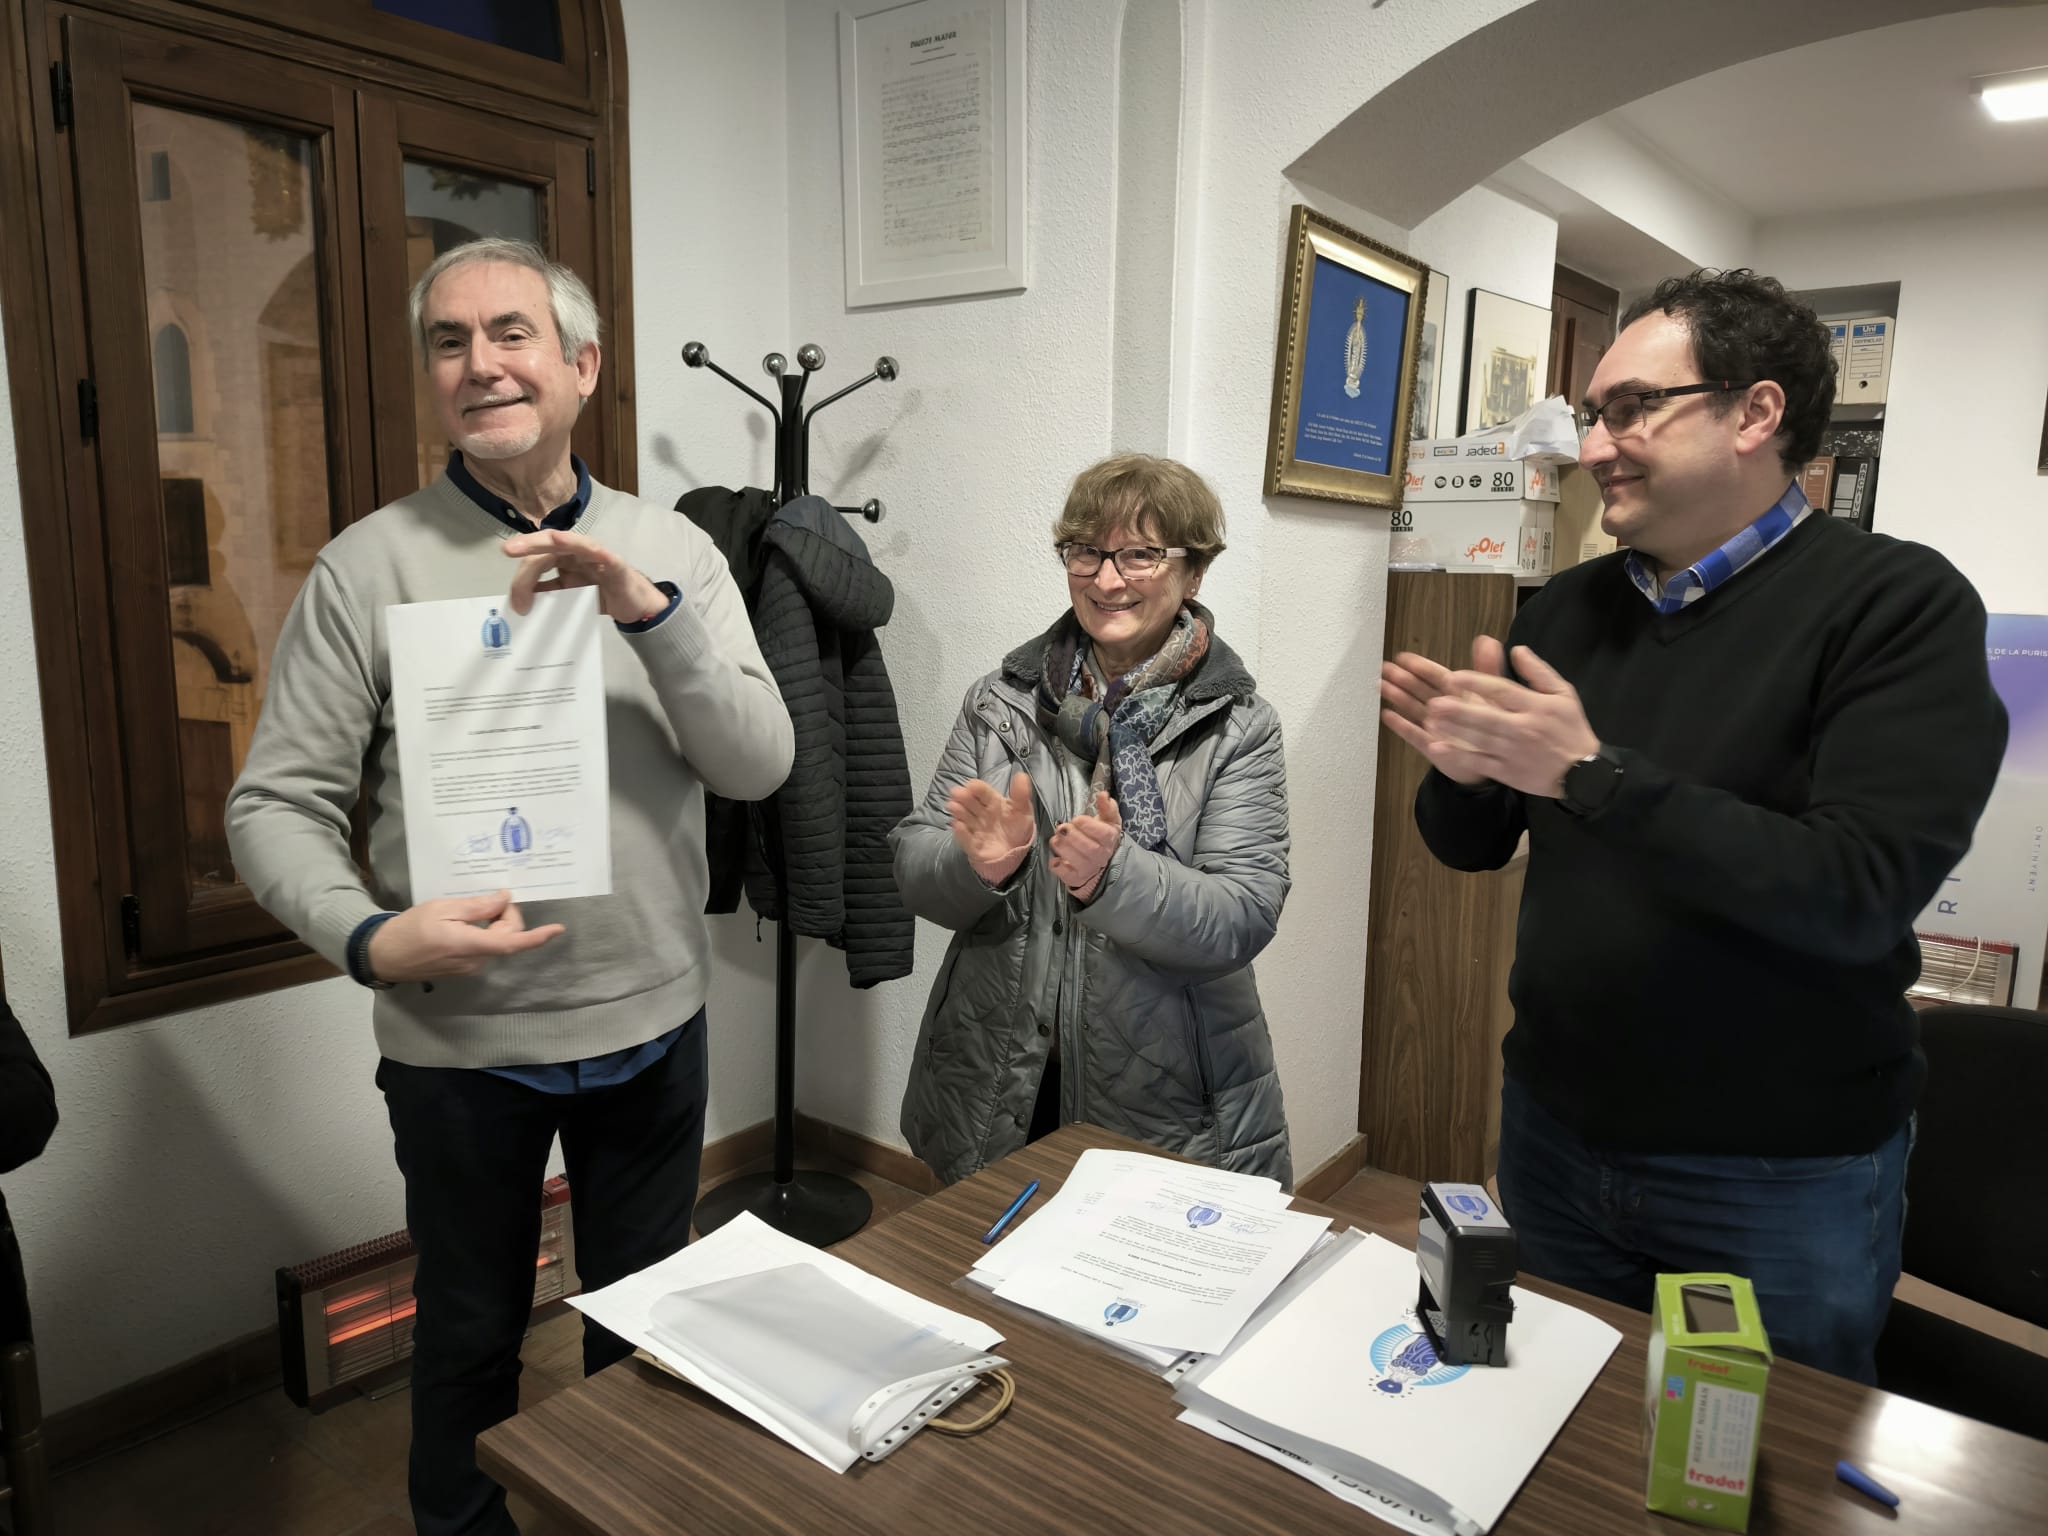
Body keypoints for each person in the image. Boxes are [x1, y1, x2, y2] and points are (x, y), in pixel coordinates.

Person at [225, 237, 792, 1535]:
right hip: (460, 1049)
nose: (481, 362)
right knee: (470, 1340)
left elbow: (757, 765)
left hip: (650, 1031)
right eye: (448, 340)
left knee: (643, 1339)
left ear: (581, 365)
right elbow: (275, 810)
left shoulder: (673, 553)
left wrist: (651, 614)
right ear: (434, 378)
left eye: (512, 333)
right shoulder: (366, 568)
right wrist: (371, 935)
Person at [1379, 268, 2007, 1383]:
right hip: (1554, 1130)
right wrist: (1469, 772)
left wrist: (1587, 775)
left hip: (1775, 1172)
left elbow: (1856, 888)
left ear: (1753, 414)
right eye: (1590, 415)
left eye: (1630, 408)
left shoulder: (1896, 606)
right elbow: (1467, 845)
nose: (1596, 444)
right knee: (1562, 1422)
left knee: (1760, 1458)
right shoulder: (1568, 607)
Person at [894, 454, 1292, 1187]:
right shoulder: (1002, 701)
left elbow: (1244, 913)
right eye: (1087, 552)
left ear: (1195, 572)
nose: (1108, 580)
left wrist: (1116, 879)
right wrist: (977, 868)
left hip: (1168, 1091)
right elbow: (916, 863)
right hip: (998, 1073)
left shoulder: (1239, 725)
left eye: (1141, 554)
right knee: (982, 1280)